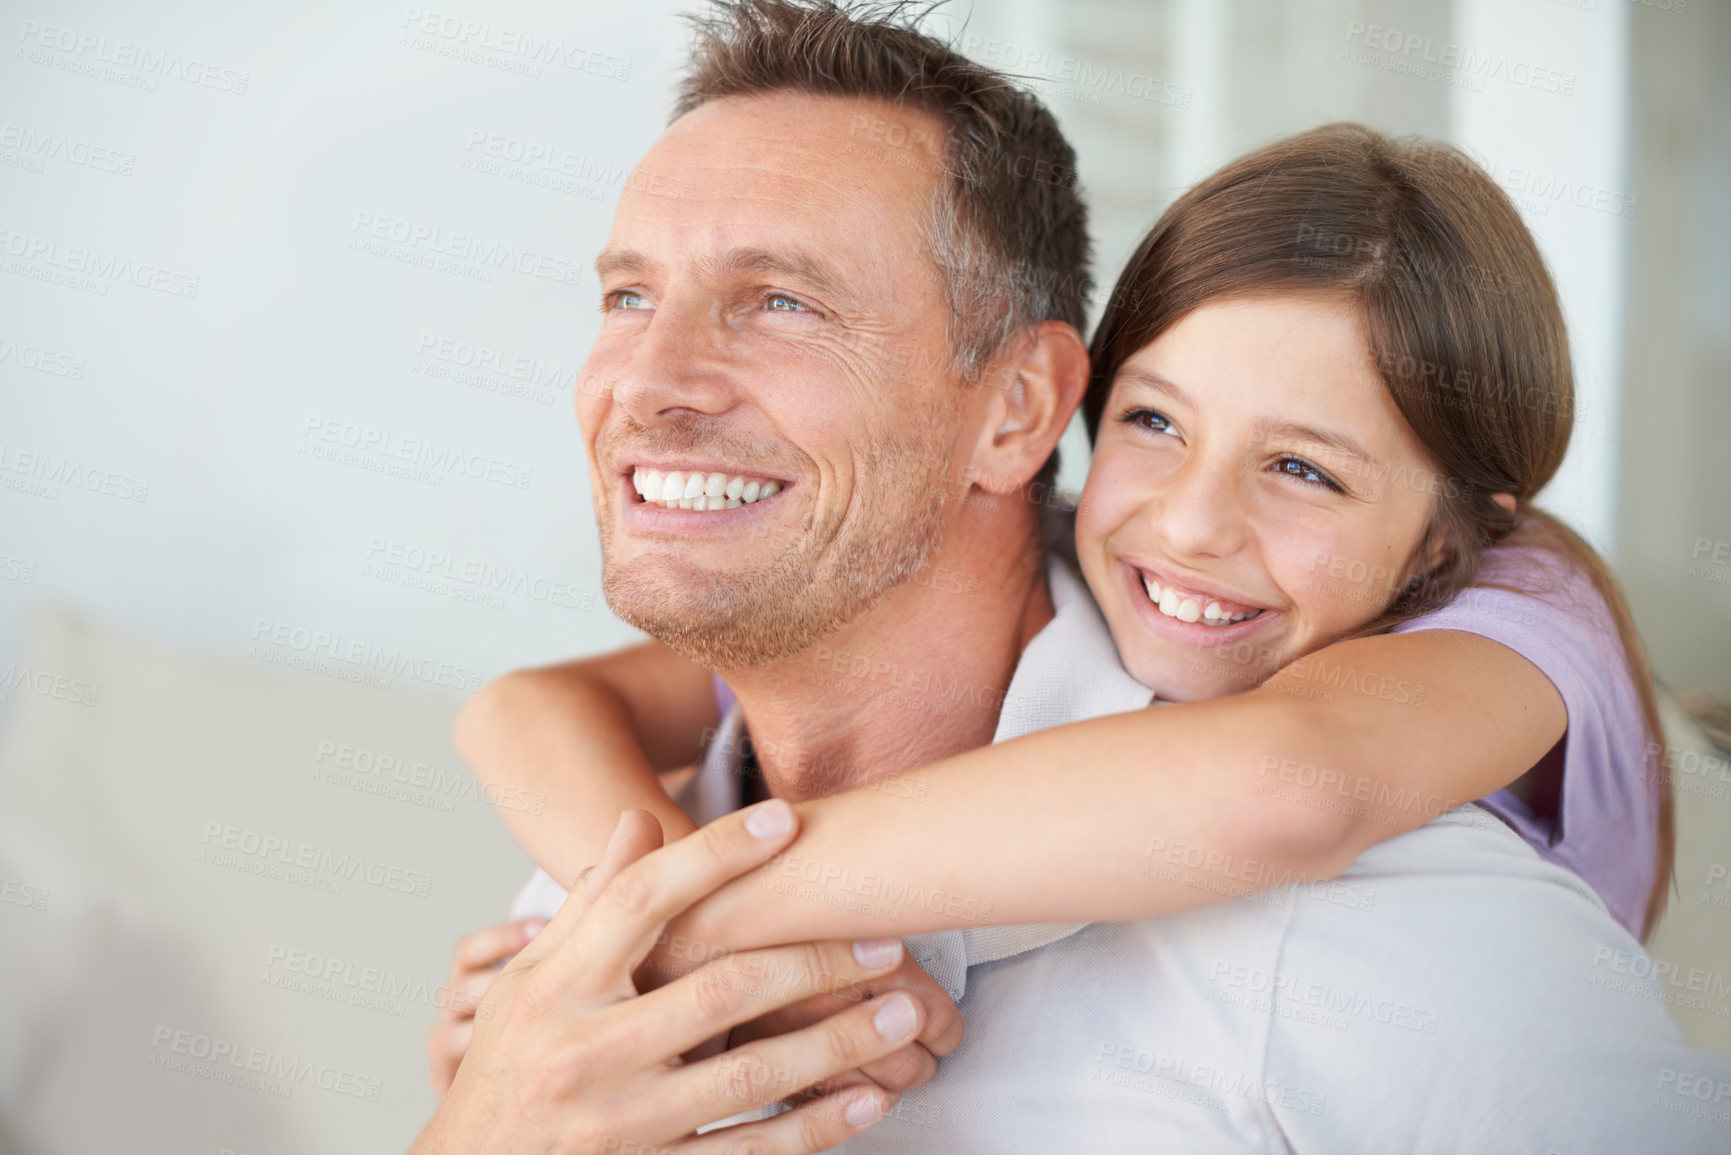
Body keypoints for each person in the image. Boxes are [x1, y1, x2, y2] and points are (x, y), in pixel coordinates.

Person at [419, 3, 1731, 1151]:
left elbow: (1292, 786)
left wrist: (687, 930)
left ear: (1022, 408)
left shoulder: (1386, 936)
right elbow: (522, 707)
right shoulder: (600, 885)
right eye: (629, 297)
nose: (649, 384)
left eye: (784, 303)